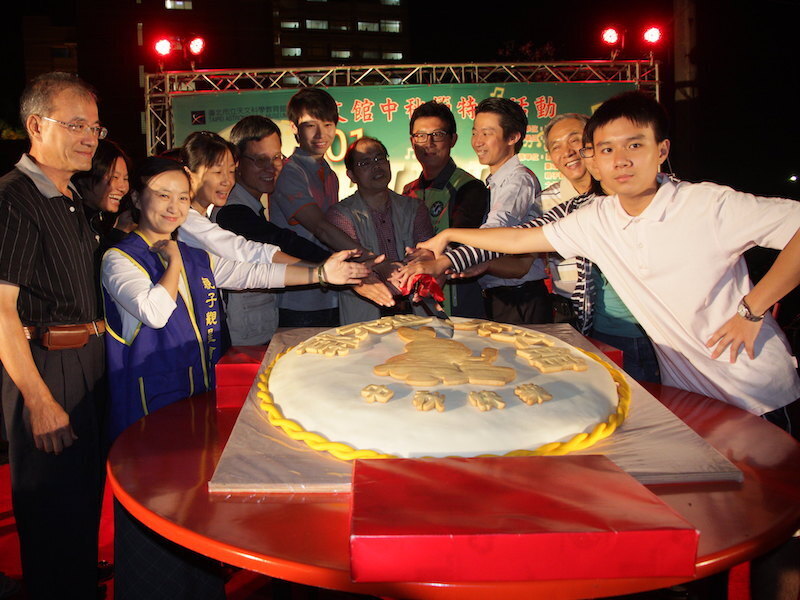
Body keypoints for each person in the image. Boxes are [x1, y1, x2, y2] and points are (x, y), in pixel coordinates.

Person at [418, 91, 800, 423]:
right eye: (607, 149)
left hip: (754, 392)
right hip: (686, 392)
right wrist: (449, 240)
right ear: (595, 158)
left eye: (634, 145)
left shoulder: (706, 204)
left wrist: (752, 309)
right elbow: (520, 240)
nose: (620, 160)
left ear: (661, 150)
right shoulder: (597, 217)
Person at [103, 156, 368, 599]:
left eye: (183, 198)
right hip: (147, 417)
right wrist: (171, 259)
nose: (173, 207)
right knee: (155, 521)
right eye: (162, 195)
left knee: (195, 518)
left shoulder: (194, 255)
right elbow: (154, 310)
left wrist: (323, 273)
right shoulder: (118, 259)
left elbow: (254, 271)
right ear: (137, 197)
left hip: (195, 405)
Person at [405, 113, 661, 383]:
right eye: (556, 147)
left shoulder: (688, 201)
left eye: (578, 142)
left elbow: (505, 234)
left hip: (653, 329)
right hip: (588, 321)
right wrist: (449, 249)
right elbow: (516, 239)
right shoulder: (573, 208)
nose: (569, 152)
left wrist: (447, 251)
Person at [0, 71, 107, 599]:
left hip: (87, 363)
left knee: (82, 511)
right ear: (36, 125)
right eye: (77, 124)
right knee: (53, 521)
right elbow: (0, 311)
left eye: (95, 126)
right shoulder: (14, 199)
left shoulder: (70, 199)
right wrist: (39, 402)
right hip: (46, 368)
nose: (90, 136)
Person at [270, 88, 391, 327]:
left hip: (333, 292)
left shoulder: (329, 173)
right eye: (309, 125)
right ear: (294, 127)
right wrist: (371, 260)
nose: (320, 134)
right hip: (299, 297)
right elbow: (321, 228)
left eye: (327, 124)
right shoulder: (290, 172)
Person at [211, 116, 330, 345]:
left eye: (276, 157)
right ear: (238, 161)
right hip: (243, 339)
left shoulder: (252, 203)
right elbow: (280, 240)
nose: (271, 168)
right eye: (260, 160)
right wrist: (333, 265)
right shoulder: (232, 211)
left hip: (259, 327)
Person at [327, 137, 433, 323]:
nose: (376, 166)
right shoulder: (340, 215)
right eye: (365, 163)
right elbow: (352, 261)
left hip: (414, 309)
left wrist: (422, 258)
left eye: (379, 158)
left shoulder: (414, 207)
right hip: (366, 311)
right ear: (351, 175)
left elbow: (426, 251)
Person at [402, 101, 488, 318]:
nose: (428, 143)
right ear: (412, 141)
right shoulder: (408, 190)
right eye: (420, 135)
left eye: (437, 134)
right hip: (415, 298)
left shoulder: (469, 186)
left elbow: (464, 241)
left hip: (457, 295)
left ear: (453, 139)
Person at [469, 97, 551, 324]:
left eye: (487, 133)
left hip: (521, 299)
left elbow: (497, 227)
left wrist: (453, 256)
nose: (477, 141)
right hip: (501, 298)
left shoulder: (518, 179)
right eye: (475, 132)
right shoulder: (494, 181)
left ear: (513, 137)